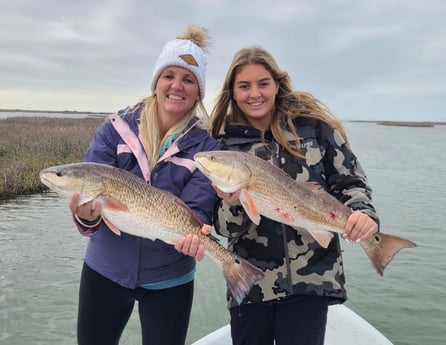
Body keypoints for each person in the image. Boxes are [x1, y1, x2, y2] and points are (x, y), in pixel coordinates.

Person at [179, 45, 380, 345]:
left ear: (277, 84)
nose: (254, 94)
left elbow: (351, 182)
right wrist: (234, 203)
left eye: (263, 83)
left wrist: (363, 213)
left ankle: (379, 246)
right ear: (233, 92)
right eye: (244, 86)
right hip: (251, 281)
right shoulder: (224, 145)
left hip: (312, 279)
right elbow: (223, 228)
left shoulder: (314, 128)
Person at [68, 26, 220, 345]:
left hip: (171, 279)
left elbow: (198, 208)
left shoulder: (207, 150)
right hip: (104, 272)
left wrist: (198, 232)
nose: (176, 86)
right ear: (156, 82)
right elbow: (91, 206)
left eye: (188, 79)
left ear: (198, 91)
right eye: (169, 75)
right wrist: (87, 215)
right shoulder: (114, 129)